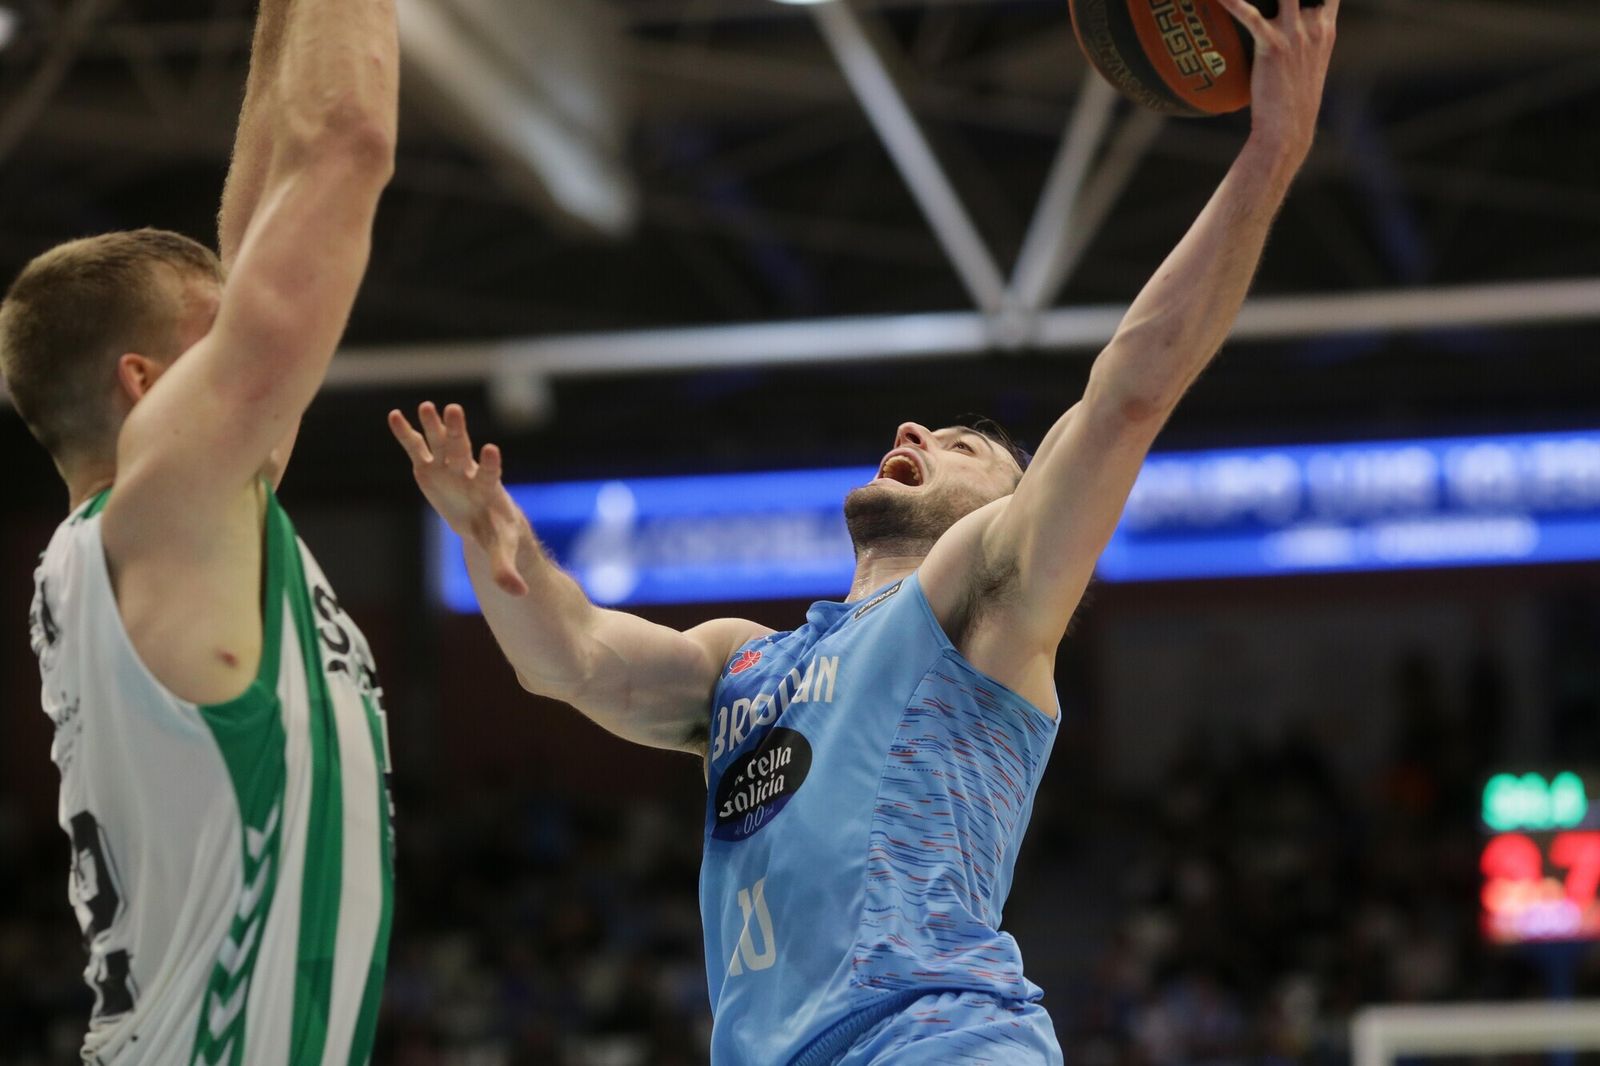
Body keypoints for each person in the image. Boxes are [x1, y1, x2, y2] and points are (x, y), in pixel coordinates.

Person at [390, 0, 1337, 1060]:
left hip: (939, 1037)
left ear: (1010, 509)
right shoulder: (739, 662)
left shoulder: (983, 595)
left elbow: (1124, 397)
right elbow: (566, 659)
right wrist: (498, 545)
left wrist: (1269, 153)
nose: (914, 430)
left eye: (965, 443)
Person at [0, 0, 399, 1059]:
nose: (256, 358)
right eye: (211, 337)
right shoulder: (163, 503)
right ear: (147, 385)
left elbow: (261, 217)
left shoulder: (160, 530)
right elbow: (348, 145)